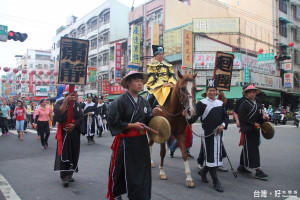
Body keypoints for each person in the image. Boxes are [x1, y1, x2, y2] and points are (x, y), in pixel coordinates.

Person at [107, 71, 161, 200]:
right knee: (122, 170)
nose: (140, 83)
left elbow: (147, 121)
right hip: (126, 144)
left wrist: (153, 113)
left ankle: (139, 196)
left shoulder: (144, 102)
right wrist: (132, 126)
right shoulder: (119, 101)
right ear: (128, 83)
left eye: (141, 81)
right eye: (136, 80)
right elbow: (113, 122)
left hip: (141, 143)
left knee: (141, 171)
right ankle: (118, 194)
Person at [184, 79, 229, 192]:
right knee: (210, 157)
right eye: (210, 90)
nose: (212, 92)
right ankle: (215, 181)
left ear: (216, 91)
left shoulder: (220, 103)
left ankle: (203, 172)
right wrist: (187, 117)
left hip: (219, 134)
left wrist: (223, 125)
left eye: (213, 90)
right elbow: (194, 118)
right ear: (206, 91)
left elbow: (225, 118)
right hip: (208, 134)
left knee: (216, 157)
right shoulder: (202, 103)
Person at [237, 84, 269, 180]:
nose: (252, 94)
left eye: (254, 92)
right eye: (250, 92)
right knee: (253, 150)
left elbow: (259, 117)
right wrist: (252, 124)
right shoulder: (243, 104)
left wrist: (263, 119)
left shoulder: (258, 104)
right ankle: (257, 170)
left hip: (255, 130)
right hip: (248, 130)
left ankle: (242, 166)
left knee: (248, 148)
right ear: (246, 94)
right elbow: (242, 118)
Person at [54, 87, 83, 187]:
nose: (74, 95)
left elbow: (80, 117)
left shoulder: (77, 104)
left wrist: (74, 125)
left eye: (75, 93)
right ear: (66, 94)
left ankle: (70, 174)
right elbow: (59, 114)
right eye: (72, 93)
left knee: (74, 151)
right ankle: (64, 175)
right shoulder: (59, 103)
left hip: (74, 131)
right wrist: (66, 101)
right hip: (64, 130)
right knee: (64, 152)